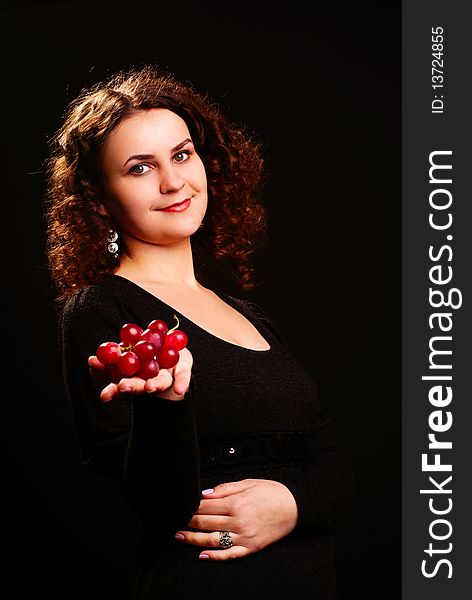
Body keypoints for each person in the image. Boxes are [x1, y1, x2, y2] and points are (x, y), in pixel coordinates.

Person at [44, 64, 355, 600]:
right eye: (140, 168)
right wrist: (166, 405)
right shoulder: (102, 310)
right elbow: (159, 501)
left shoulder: (246, 313)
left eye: (182, 155)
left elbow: (333, 458)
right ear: (98, 199)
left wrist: (292, 505)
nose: (173, 182)